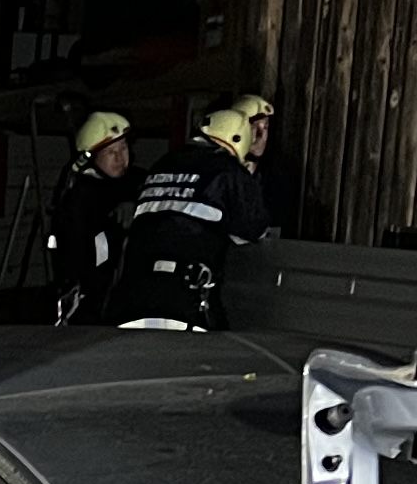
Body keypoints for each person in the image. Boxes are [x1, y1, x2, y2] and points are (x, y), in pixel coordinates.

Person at [108, 106, 269, 332]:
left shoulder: (161, 164)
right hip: (184, 301)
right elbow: (254, 230)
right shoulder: (228, 171)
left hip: (133, 295)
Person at [41, 112, 138, 324]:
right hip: (92, 305)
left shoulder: (138, 182)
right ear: (90, 157)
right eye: (111, 151)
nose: (120, 157)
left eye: (123, 148)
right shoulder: (80, 197)